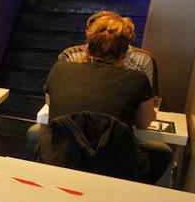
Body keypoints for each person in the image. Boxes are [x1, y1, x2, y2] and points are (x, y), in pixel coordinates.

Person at [39, 11, 171, 184]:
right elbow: (143, 123)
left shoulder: (59, 69)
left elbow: (50, 103)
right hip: (115, 165)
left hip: (62, 157)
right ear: (125, 50)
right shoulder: (137, 79)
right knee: (163, 152)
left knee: (36, 134)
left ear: (88, 43)